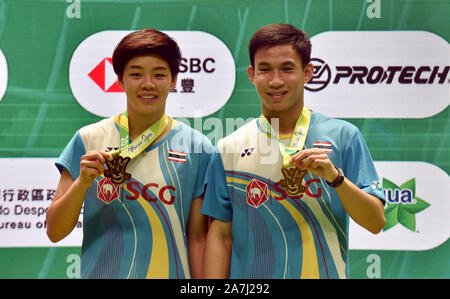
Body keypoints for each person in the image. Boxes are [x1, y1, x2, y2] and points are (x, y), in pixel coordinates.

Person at [201, 23, 386, 279]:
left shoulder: (344, 137)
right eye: (265, 69)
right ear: (252, 74)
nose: (276, 80)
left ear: (308, 72)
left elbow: (376, 222)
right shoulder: (228, 148)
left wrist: (336, 179)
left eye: (287, 68)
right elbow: (220, 237)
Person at [46, 29, 214, 279]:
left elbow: (199, 239)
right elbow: (55, 231)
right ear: (120, 80)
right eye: (136, 74)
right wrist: (83, 182)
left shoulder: (198, 148)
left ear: (174, 80)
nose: (148, 84)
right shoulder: (88, 139)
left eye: (159, 74)